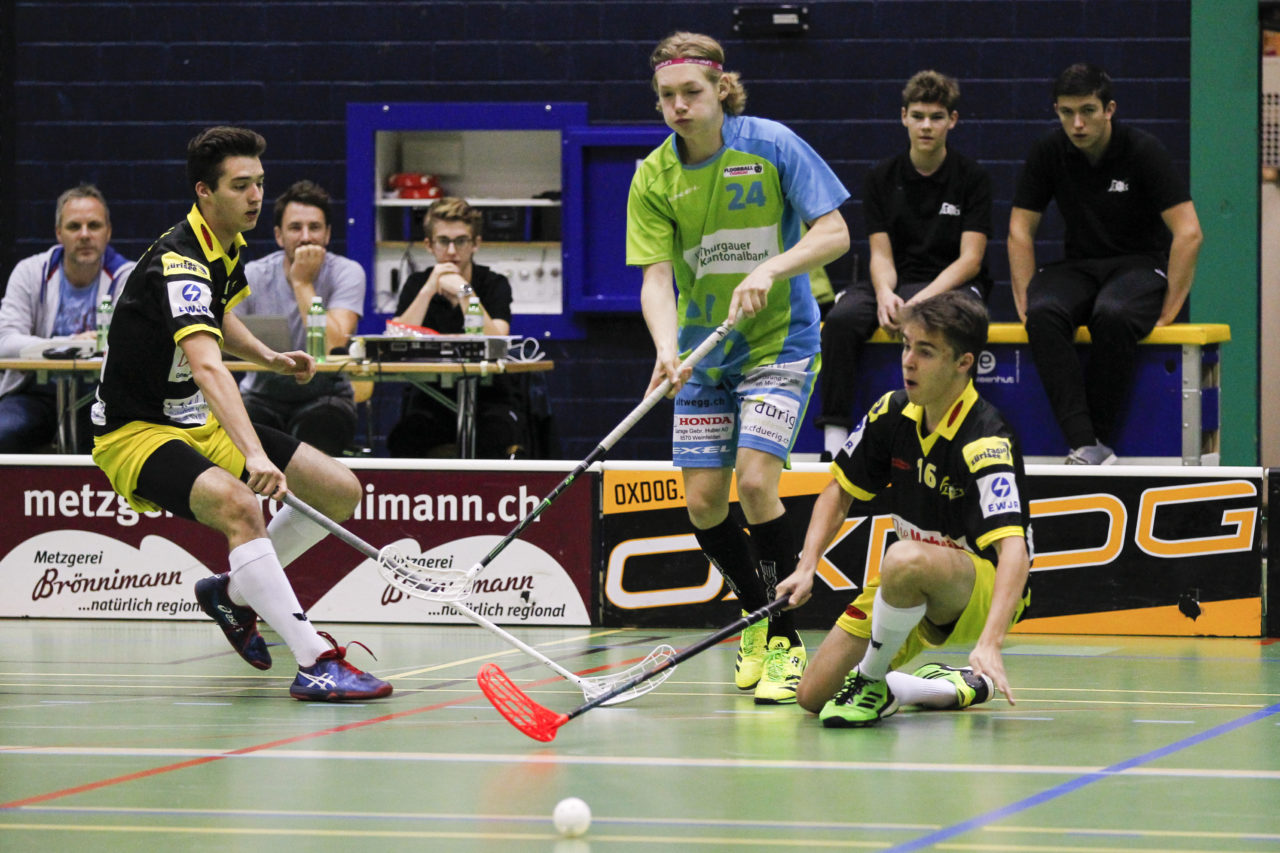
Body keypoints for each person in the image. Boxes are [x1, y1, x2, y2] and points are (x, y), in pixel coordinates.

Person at [90, 126, 391, 702]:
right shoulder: (179, 262)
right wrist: (254, 454)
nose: (255, 196)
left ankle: (232, 594)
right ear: (205, 191)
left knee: (337, 489)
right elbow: (206, 365)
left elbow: (218, 318)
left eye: (258, 183)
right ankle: (315, 661)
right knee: (239, 503)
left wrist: (268, 355)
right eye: (240, 185)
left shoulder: (226, 246)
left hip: (191, 421)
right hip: (134, 432)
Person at [627, 32, 850, 704]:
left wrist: (773, 266)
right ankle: (754, 613)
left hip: (779, 342)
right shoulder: (653, 176)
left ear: (721, 88)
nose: (678, 106)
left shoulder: (772, 144)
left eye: (691, 92)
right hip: (704, 352)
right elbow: (656, 278)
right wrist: (667, 348)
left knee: (755, 480)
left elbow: (834, 232)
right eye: (666, 96)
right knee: (701, 499)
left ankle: (785, 635)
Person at [776, 291, 1032, 727]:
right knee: (813, 695)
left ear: (963, 363)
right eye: (906, 346)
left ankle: (874, 681)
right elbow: (839, 491)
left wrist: (991, 640)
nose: (908, 361)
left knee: (902, 557)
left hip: (982, 591)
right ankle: (952, 685)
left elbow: (1014, 551)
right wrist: (806, 565)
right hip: (909, 580)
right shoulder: (891, 413)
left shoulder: (984, 439)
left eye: (926, 352)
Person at [1007, 62, 1204, 465]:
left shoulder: (1143, 150)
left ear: (1109, 109)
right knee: (1043, 314)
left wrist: (1171, 306)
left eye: (1088, 111)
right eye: (1066, 112)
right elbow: (1018, 230)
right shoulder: (1048, 152)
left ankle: (1098, 438)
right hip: (1079, 267)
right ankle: (1086, 443)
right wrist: (1024, 299)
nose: (1077, 123)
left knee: (1112, 314)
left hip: (1138, 267)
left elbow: (1189, 232)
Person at [815, 70, 992, 460]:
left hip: (950, 284)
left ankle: (953, 436)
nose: (926, 126)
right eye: (918, 116)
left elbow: (970, 259)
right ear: (903, 117)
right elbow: (881, 254)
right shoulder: (881, 177)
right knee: (842, 319)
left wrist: (919, 304)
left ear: (952, 121)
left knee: (949, 321)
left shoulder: (972, 178)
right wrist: (883, 295)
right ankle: (833, 441)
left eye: (936, 117)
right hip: (897, 281)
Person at [386, 196, 526, 459]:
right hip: (430, 398)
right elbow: (395, 338)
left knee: (498, 436)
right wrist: (429, 288)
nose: (452, 251)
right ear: (429, 245)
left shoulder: (494, 283)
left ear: (475, 244)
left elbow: (496, 340)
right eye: (443, 241)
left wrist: (465, 292)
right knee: (404, 438)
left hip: (490, 396)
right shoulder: (417, 283)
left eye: (461, 241)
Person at [234, 180, 366, 456]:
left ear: (328, 234)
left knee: (318, 433)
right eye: (295, 228)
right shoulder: (253, 275)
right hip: (260, 396)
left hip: (326, 397)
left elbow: (334, 343)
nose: (306, 237)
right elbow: (228, 341)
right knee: (236, 437)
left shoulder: (348, 272)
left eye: (314, 227)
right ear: (279, 236)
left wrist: (302, 283)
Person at [0, 184, 134, 452]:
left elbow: (131, 348)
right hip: (32, 394)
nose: (84, 235)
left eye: (94, 226)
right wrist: (71, 343)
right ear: (59, 233)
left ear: (108, 232)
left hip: (100, 397)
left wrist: (44, 347)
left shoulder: (127, 277)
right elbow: (5, 342)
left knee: (112, 445)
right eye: (74, 227)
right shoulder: (30, 272)